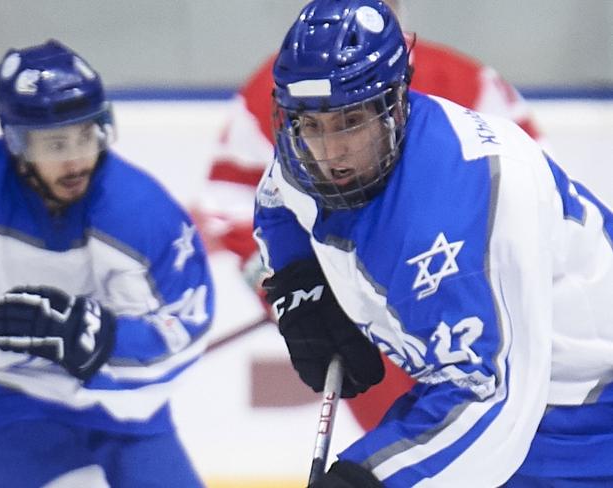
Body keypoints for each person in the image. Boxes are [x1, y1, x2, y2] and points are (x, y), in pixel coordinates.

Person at [255, 0, 613, 486]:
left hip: (586, 416)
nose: (329, 151)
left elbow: (488, 403)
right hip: (506, 392)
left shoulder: (466, 201)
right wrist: (303, 283)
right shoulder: (305, 159)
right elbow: (278, 198)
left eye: (349, 123)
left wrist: (367, 480)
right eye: (311, 124)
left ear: (395, 103)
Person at [193, 0, 544, 431]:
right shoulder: (284, 84)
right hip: (360, 323)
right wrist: (291, 290)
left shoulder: (465, 80)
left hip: (467, 310)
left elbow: (530, 187)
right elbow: (231, 204)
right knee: (401, 450)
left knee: (486, 438)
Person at [0, 39, 213, 488]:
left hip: (118, 408)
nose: (77, 158)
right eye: (56, 144)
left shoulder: (140, 214)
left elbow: (182, 334)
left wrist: (101, 339)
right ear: (16, 142)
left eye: (86, 134)